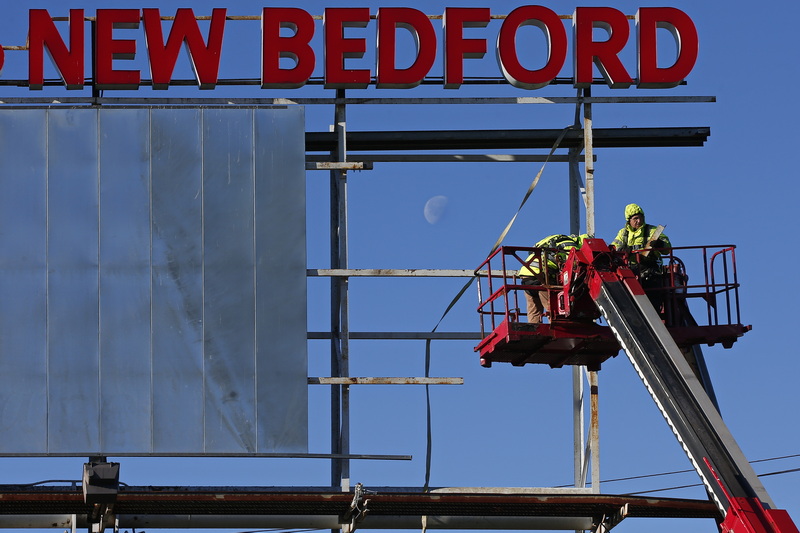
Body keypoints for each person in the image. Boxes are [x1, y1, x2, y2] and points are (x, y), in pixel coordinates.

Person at [611, 203, 672, 310]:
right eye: (635, 218)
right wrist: (624, 251)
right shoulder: (623, 233)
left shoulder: (652, 231)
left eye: (640, 218)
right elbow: (614, 249)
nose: (638, 221)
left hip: (651, 272)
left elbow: (667, 250)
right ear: (629, 221)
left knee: (653, 305)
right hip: (631, 273)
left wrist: (660, 245)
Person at [518, 234, 584, 324]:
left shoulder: (553, 239)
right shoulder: (569, 243)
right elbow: (573, 263)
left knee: (534, 309)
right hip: (540, 275)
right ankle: (559, 327)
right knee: (552, 307)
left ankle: (534, 328)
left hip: (526, 274)